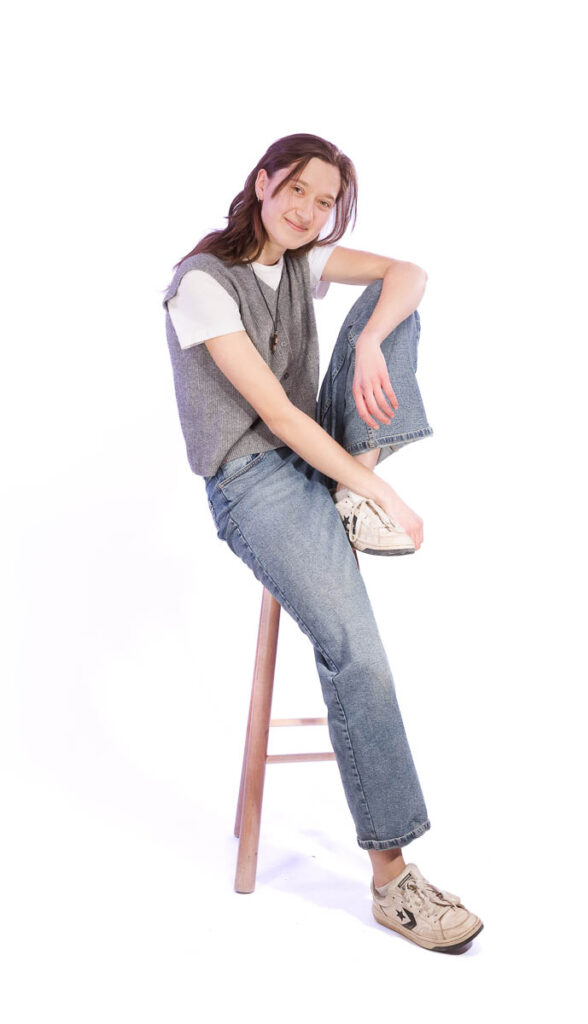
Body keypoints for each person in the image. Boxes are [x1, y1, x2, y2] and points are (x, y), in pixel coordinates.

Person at [162, 132, 484, 954]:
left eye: (326, 200)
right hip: (253, 482)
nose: (308, 211)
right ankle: (391, 881)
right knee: (356, 652)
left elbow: (409, 273)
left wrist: (368, 341)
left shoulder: (304, 261)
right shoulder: (202, 283)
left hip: (316, 459)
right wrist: (383, 492)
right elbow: (274, 416)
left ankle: (345, 489)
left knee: (394, 312)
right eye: (297, 190)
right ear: (262, 182)